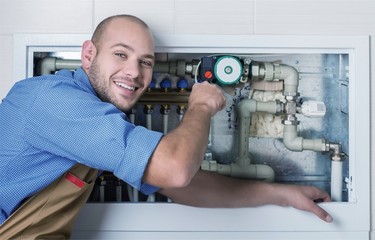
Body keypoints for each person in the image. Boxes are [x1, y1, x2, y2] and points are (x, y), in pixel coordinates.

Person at [0, 14, 332, 239]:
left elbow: (177, 185)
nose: (134, 73)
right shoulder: (55, 103)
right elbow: (175, 171)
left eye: (145, 62)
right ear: (88, 55)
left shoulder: (92, 119)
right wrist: (201, 106)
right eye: (120, 54)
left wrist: (281, 195)